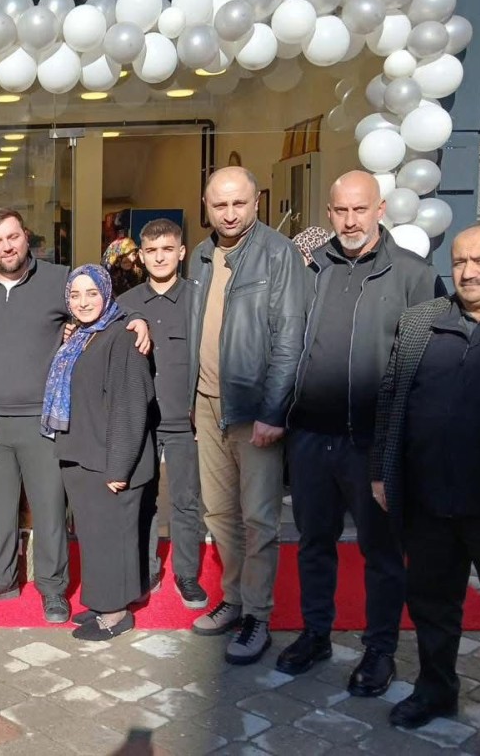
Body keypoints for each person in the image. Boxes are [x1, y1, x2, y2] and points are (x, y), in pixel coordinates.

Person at [373, 223, 480, 756]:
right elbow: (392, 395)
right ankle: (436, 691)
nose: (467, 272)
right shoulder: (423, 319)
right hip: (428, 500)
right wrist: (383, 469)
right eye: (460, 261)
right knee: (431, 605)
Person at [276, 172, 443, 694]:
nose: (350, 221)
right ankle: (316, 633)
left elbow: (428, 368)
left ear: (381, 209)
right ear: (329, 213)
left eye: (360, 210)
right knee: (313, 544)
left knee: (381, 552)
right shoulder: (312, 268)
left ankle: (379, 651)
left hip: (373, 445)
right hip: (309, 438)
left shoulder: (413, 275)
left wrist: (405, 449)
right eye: (341, 211)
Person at [0, 208, 151, 624]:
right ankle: (0, 578)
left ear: (25, 237)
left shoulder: (57, 280)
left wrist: (137, 319)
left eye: (13, 237)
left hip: (45, 421)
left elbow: (102, 304)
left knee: (49, 508)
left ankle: (52, 588)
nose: (6, 246)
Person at [188, 166, 309, 665]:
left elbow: (289, 338)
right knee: (218, 513)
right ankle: (235, 600)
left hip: (254, 408)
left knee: (258, 517)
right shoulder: (200, 254)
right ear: (206, 204)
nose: (230, 214)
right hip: (207, 403)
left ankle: (258, 614)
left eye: (239, 203)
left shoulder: (277, 255)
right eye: (220, 205)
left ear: (256, 201)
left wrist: (274, 409)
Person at [44, 264, 155, 640]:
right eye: (75, 295)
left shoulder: (122, 336)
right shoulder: (82, 337)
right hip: (84, 454)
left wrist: (119, 467)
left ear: (107, 294)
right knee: (94, 537)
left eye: (92, 293)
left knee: (113, 537)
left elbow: (131, 405)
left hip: (110, 459)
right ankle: (103, 600)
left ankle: (117, 613)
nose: (83, 301)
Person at [118, 219, 209, 612]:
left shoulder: (198, 299)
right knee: (144, 499)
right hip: (142, 423)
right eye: (152, 251)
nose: (159, 257)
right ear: (141, 255)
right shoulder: (125, 303)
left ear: (181, 252)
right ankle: (146, 569)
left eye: (167, 250)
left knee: (188, 500)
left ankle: (186, 573)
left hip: (184, 420)